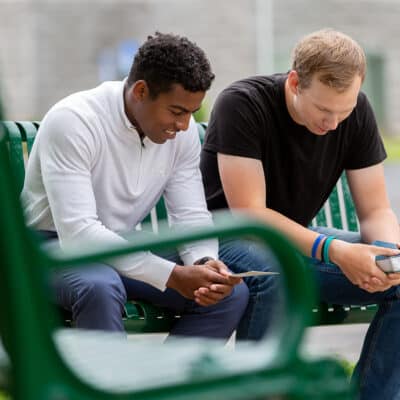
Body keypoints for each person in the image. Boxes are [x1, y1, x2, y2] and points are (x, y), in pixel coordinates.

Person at [200, 29, 400, 399]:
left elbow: (376, 209)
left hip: (296, 243)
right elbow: (251, 215)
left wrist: (385, 257)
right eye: (324, 110)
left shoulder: (354, 113)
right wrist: (336, 251)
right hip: (226, 240)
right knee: (271, 268)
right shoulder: (243, 103)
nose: (334, 123)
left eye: (345, 110)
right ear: (295, 81)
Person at [21, 32, 251, 341]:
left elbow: (191, 215)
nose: (184, 126)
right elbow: (77, 235)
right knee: (99, 287)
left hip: (120, 242)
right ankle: (106, 388)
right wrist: (171, 276)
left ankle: (167, 388)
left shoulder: (181, 135)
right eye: (177, 111)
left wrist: (203, 262)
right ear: (141, 91)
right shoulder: (73, 121)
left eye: (191, 113)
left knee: (227, 295)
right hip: (48, 248)